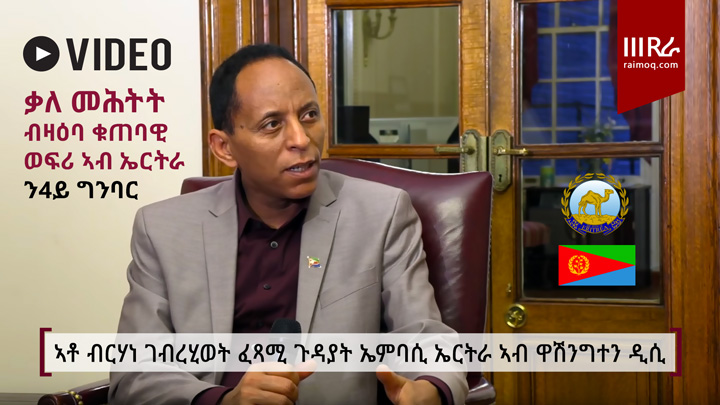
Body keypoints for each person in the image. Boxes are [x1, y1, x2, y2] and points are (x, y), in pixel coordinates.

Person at [109, 44, 468, 405]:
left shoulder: (381, 213)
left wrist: (432, 387)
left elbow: (425, 335)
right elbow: (135, 374)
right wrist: (224, 401)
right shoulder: (162, 229)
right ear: (224, 147)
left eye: (309, 115)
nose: (301, 139)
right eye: (272, 124)